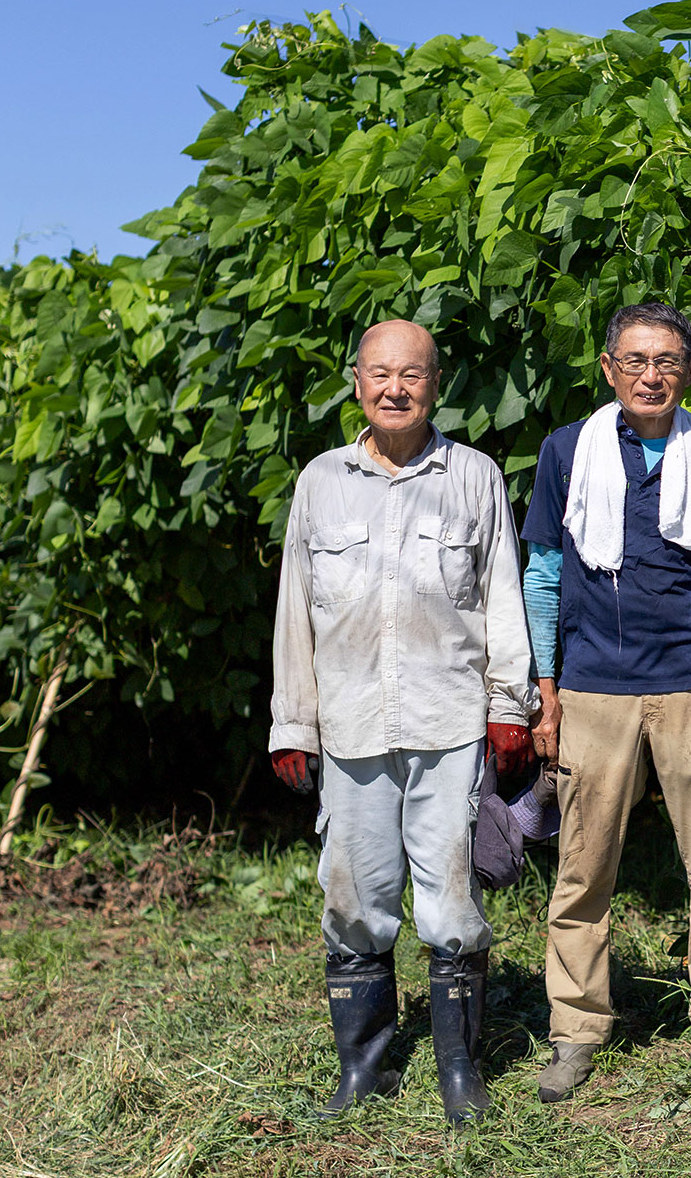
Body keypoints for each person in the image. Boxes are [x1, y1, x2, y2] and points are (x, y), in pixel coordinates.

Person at [268, 319, 538, 1124]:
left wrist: (509, 707)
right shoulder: (321, 481)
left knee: (451, 902)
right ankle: (365, 1069)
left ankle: (460, 1073)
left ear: (436, 383)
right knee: (354, 896)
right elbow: (294, 609)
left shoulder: (474, 475)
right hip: (350, 725)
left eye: (411, 375)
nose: (395, 389)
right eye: (380, 374)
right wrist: (293, 724)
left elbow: (502, 596)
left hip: (449, 722)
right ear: (357, 382)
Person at [521, 302, 691, 1102]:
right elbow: (544, 575)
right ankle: (575, 1032)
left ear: (689, 369)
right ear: (608, 368)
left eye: (666, 361)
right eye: (635, 360)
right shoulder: (568, 451)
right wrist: (546, 691)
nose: (650, 375)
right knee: (582, 871)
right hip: (593, 689)